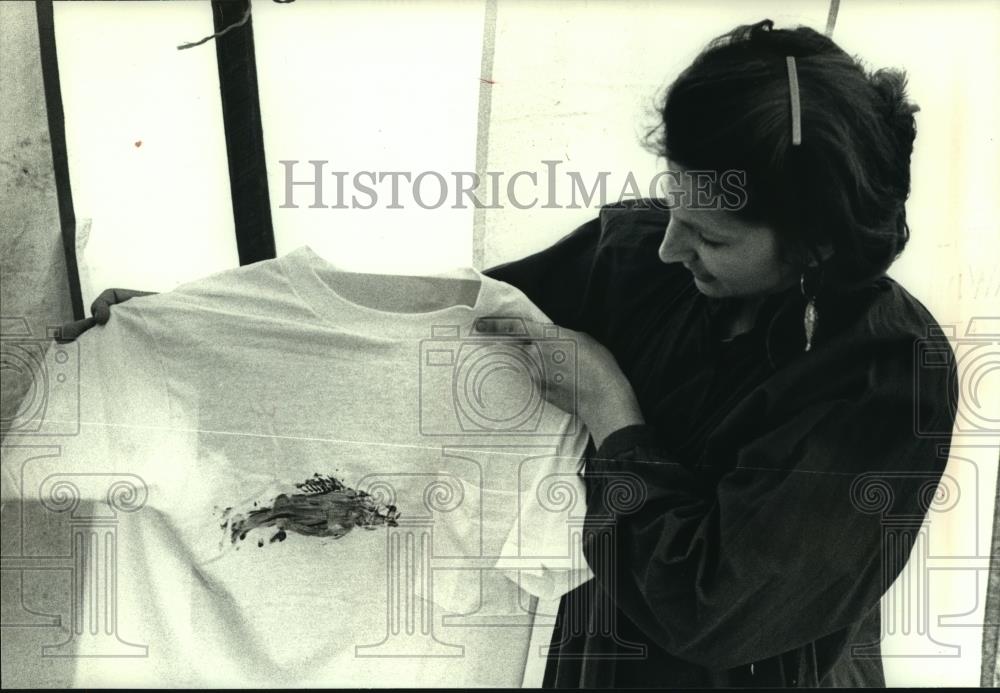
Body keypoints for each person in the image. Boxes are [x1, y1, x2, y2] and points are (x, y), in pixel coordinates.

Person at [58, 20, 956, 688]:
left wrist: (612, 412)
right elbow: (421, 336)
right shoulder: (635, 260)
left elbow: (712, 602)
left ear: (815, 243)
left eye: (711, 238)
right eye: (672, 205)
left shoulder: (884, 376)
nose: (673, 245)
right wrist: (188, 329)